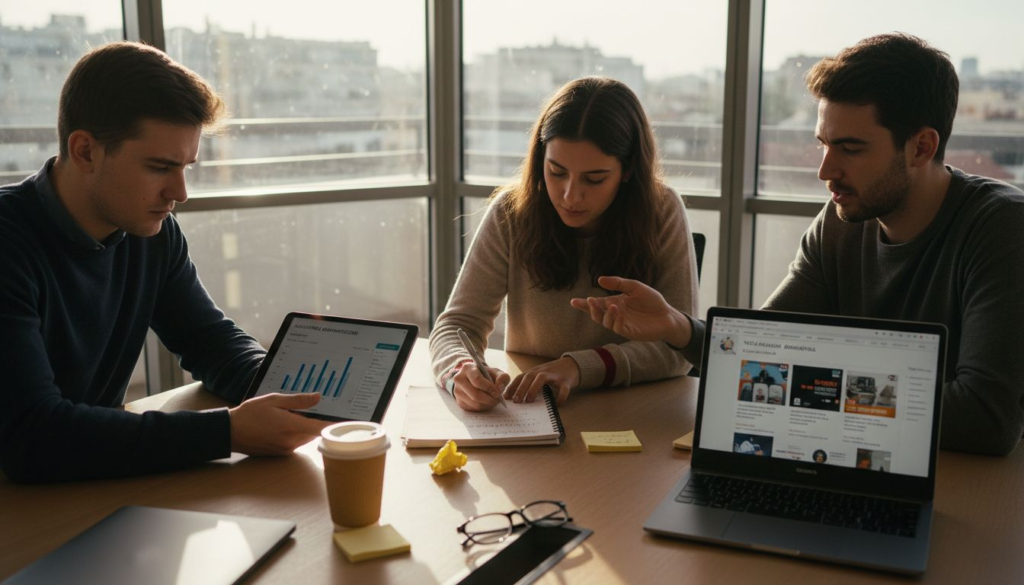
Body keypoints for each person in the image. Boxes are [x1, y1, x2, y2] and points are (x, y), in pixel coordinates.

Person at [571, 33, 1024, 456]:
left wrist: (808, 386)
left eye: (850, 148)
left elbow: (985, 419)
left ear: (922, 147)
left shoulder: (1001, 227)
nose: (825, 171)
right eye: (824, 144)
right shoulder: (842, 220)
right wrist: (678, 328)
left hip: (971, 488)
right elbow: (761, 350)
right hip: (854, 458)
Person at [0, 42, 328, 483]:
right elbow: (32, 434)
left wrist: (284, 389)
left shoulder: (149, 232)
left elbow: (208, 339)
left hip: (81, 484)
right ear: (85, 152)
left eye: (187, 167)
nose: (180, 193)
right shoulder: (8, 243)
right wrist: (228, 432)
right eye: (159, 167)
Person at [430, 77, 699, 412]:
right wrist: (460, 372)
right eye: (556, 172)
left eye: (594, 179)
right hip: (532, 409)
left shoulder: (662, 211)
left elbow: (678, 348)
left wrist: (578, 368)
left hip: (634, 411)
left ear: (628, 169)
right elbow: (456, 325)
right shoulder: (512, 211)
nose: (571, 196)